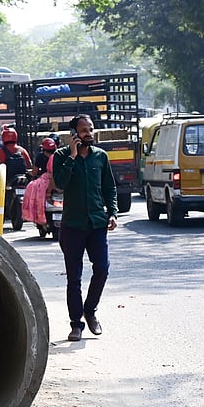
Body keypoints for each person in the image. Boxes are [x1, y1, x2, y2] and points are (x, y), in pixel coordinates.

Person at [51, 114, 118, 342]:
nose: (88, 133)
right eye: (83, 130)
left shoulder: (101, 157)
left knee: (102, 268)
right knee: (74, 278)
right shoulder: (61, 156)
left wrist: (113, 213)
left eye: (90, 129)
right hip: (72, 226)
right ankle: (76, 324)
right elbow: (60, 184)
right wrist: (72, 156)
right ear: (74, 135)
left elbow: (109, 188)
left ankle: (90, 311)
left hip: (97, 224)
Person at [22, 137, 58, 225]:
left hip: (46, 180)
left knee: (31, 188)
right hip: (58, 180)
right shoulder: (59, 156)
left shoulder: (42, 157)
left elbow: (34, 172)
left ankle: (33, 214)